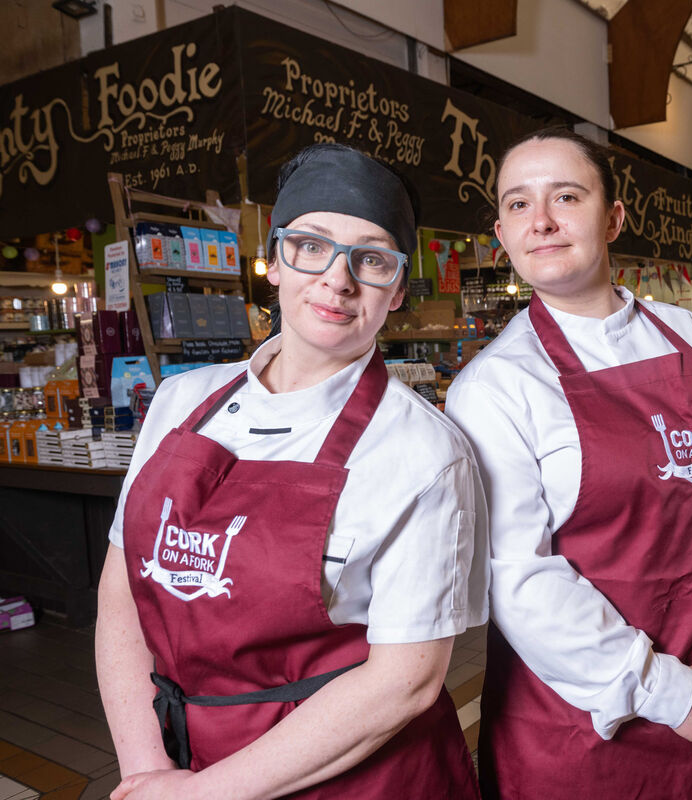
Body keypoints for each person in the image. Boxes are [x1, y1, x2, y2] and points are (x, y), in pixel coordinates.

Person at [95, 144, 488, 800]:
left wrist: (203, 795)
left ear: (395, 291)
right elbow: (122, 594)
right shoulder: (180, 402)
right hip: (179, 762)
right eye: (311, 245)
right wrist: (149, 771)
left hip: (357, 778)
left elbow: (405, 682)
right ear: (274, 262)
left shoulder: (423, 452)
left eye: (371, 258)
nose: (337, 280)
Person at [445, 127, 692, 799]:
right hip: (581, 733)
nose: (542, 221)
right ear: (501, 230)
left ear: (612, 218)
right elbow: (521, 581)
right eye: (518, 205)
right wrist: (668, 690)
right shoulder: (494, 388)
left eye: (566, 196)